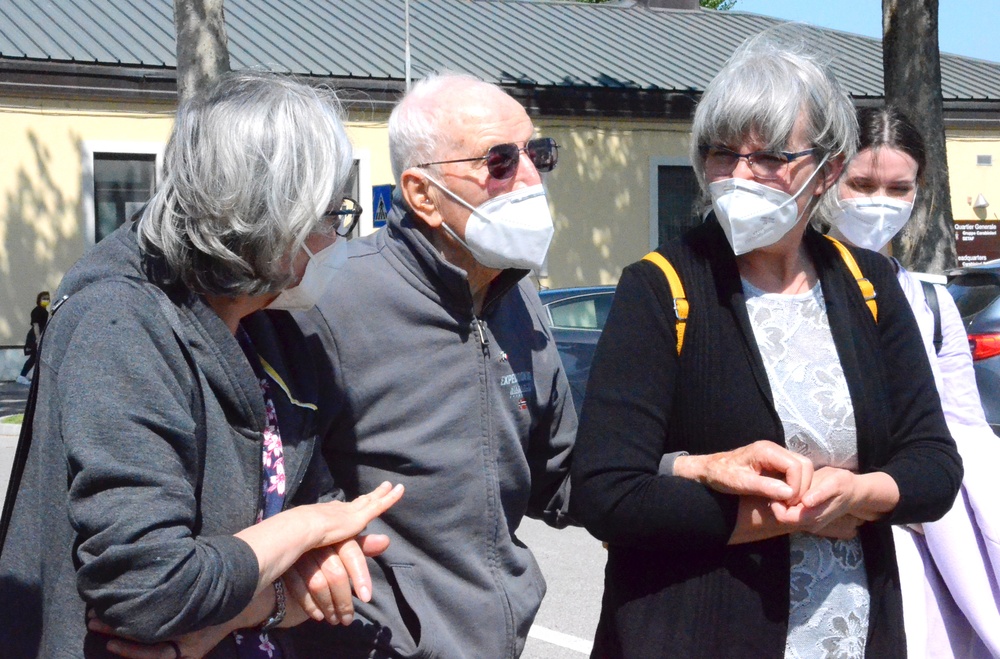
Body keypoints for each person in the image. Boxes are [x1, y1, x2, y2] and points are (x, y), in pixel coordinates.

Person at [570, 34, 963, 658]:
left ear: (828, 169)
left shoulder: (869, 284)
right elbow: (607, 491)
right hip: (697, 628)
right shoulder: (661, 286)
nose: (740, 176)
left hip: (853, 629)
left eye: (770, 157)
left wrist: (860, 493)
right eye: (722, 154)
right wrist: (781, 517)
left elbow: (934, 466)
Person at [0, 71, 405, 658]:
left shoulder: (280, 330)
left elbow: (327, 534)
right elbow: (150, 588)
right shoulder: (120, 322)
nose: (337, 238)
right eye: (330, 215)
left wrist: (249, 607)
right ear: (272, 218)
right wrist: (303, 530)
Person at [289, 73, 576, 658]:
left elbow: (567, 472)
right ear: (421, 193)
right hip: (376, 644)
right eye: (499, 162)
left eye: (536, 154)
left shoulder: (518, 296)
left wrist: (690, 473)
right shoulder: (331, 298)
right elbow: (274, 483)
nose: (529, 179)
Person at [830, 105, 1000, 658]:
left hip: (923, 538)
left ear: (919, 191)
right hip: (822, 532)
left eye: (898, 188)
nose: (878, 202)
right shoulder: (791, 289)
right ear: (828, 177)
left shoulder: (929, 302)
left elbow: (967, 429)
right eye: (861, 183)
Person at [15, 291, 50, 385]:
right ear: (39, 300)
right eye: (44, 298)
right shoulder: (37, 310)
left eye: (47, 298)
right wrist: (38, 338)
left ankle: (32, 377)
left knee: (36, 358)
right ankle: (22, 376)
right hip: (34, 336)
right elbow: (36, 325)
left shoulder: (45, 311)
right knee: (33, 357)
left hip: (40, 336)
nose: (46, 300)